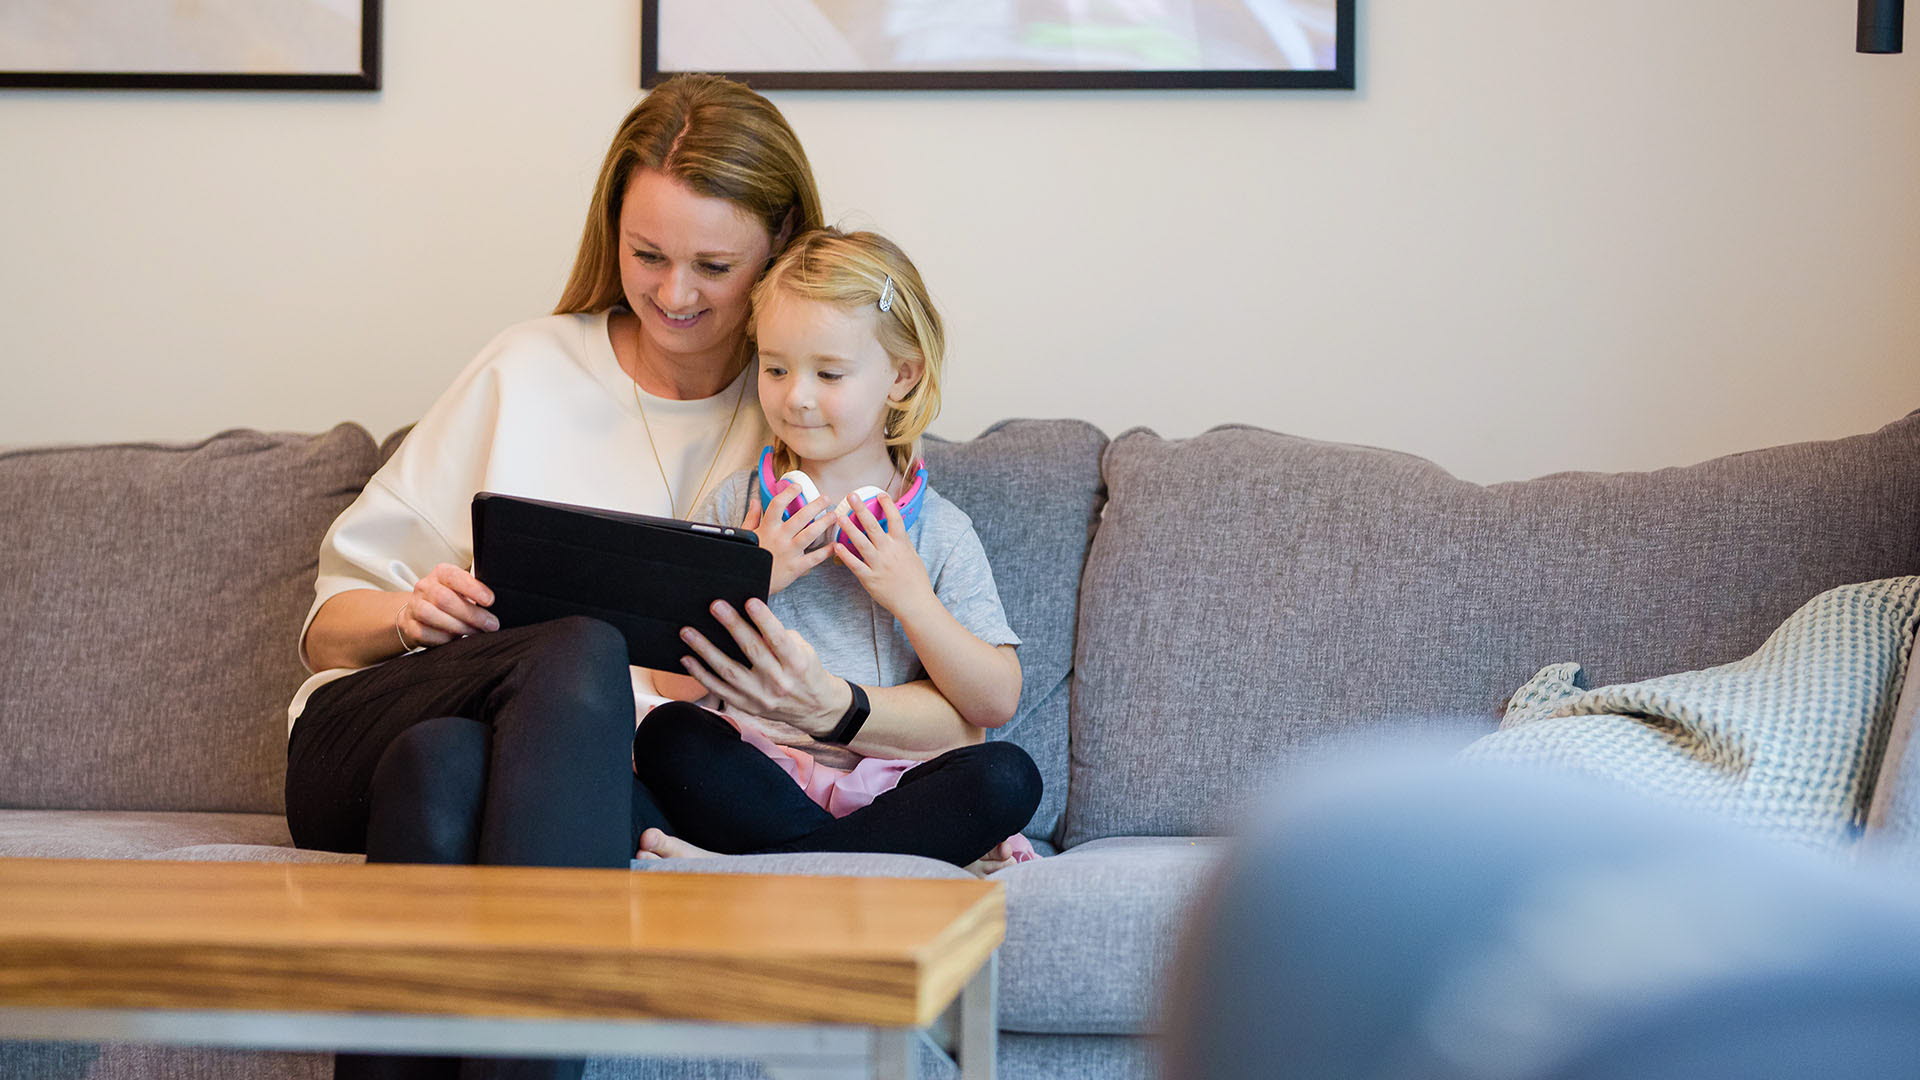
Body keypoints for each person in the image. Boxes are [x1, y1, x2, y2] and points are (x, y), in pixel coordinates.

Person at [279, 76, 977, 1080]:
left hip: (509, 771)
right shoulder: (523, 369)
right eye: (647, 255)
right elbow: (328, 632)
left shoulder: (803, 410)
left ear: (779, 249)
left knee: (446, 770)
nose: (676, 293)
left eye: (715, 264)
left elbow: (968, 708)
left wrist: (831, 706)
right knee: (578, 650)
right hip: (358, 733)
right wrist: (410, 611)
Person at [630, 228, 1043, 871]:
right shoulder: (736, 507)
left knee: (1008, 776)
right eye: (775, 368)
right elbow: (668, 682)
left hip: (893, 786)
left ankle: (750, 867)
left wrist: (911, 597)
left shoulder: (939, 533)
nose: (795, 395)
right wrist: (751, 576)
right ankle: (850, 866)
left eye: (829, 373)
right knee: (667, 734)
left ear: (901, 378)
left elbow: (995, 702)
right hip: (761, 774)